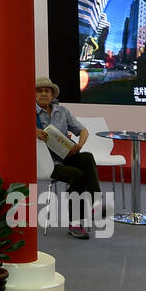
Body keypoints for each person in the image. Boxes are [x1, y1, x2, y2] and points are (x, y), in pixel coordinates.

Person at [35, 76, 98, 239]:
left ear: (52, 95)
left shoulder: (62, 111)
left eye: (47, 91)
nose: (43, 94)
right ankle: (75, 223)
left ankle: (94, 200)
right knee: (78, 176)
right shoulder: (28, 114)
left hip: (65, 155)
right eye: (40, 91)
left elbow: (83, 131)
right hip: (46, 163)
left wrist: (79, 145)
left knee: (87, 157)